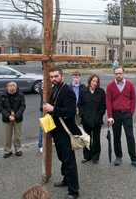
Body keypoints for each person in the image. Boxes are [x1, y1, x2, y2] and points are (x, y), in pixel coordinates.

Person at [43, 66, 80, 199]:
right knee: (62, 159)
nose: (53, 79)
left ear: (62, 76)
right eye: (51, 77)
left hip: (65, 132)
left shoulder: (68, 91)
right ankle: (66, 180)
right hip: (57, 131)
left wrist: (53, 108)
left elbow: (70, 113)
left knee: (69, 161)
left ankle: (74, 191)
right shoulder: (54, 88)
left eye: (56, 76)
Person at [106, 67, 136, 168]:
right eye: (116, 73)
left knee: (130, 136)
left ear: (123, 73)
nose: (118, 75)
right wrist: (110, 116)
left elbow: (133, 99)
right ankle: (118, 157)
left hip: (127, 114)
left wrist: (131, 112)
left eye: (120, 73)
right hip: (115, 115)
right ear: (114, 74)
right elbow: (108, 101)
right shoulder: (110, 86)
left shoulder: (130, 84)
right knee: (116, 137)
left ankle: (134, 159)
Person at [78, 74, 106, 164]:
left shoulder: (101, 92)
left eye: (96, 81)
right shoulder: (83, 91)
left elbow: (103, 106)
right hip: (86, 120)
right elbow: (80, 104)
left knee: (96, 139)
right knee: (86, 139)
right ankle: (87, 156)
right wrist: (82, 115)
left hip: (97, 120)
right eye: (93, 81)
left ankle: (96, 156)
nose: (95, 83)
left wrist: (99, 117)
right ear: (90, 81)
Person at [0, 81, 26, 158]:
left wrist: (16, 116)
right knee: (7, 136)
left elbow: (23, 106)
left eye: (13, 86)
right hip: (7, 119)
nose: (12, 87)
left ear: (16, 87)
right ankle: (7, 151)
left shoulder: (20, 94)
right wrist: (8, 116)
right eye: (10, 86)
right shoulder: (2, 95)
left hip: (18, 118)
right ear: (7, 87)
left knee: (17, 136)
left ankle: (18, 149)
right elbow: (0, 107)